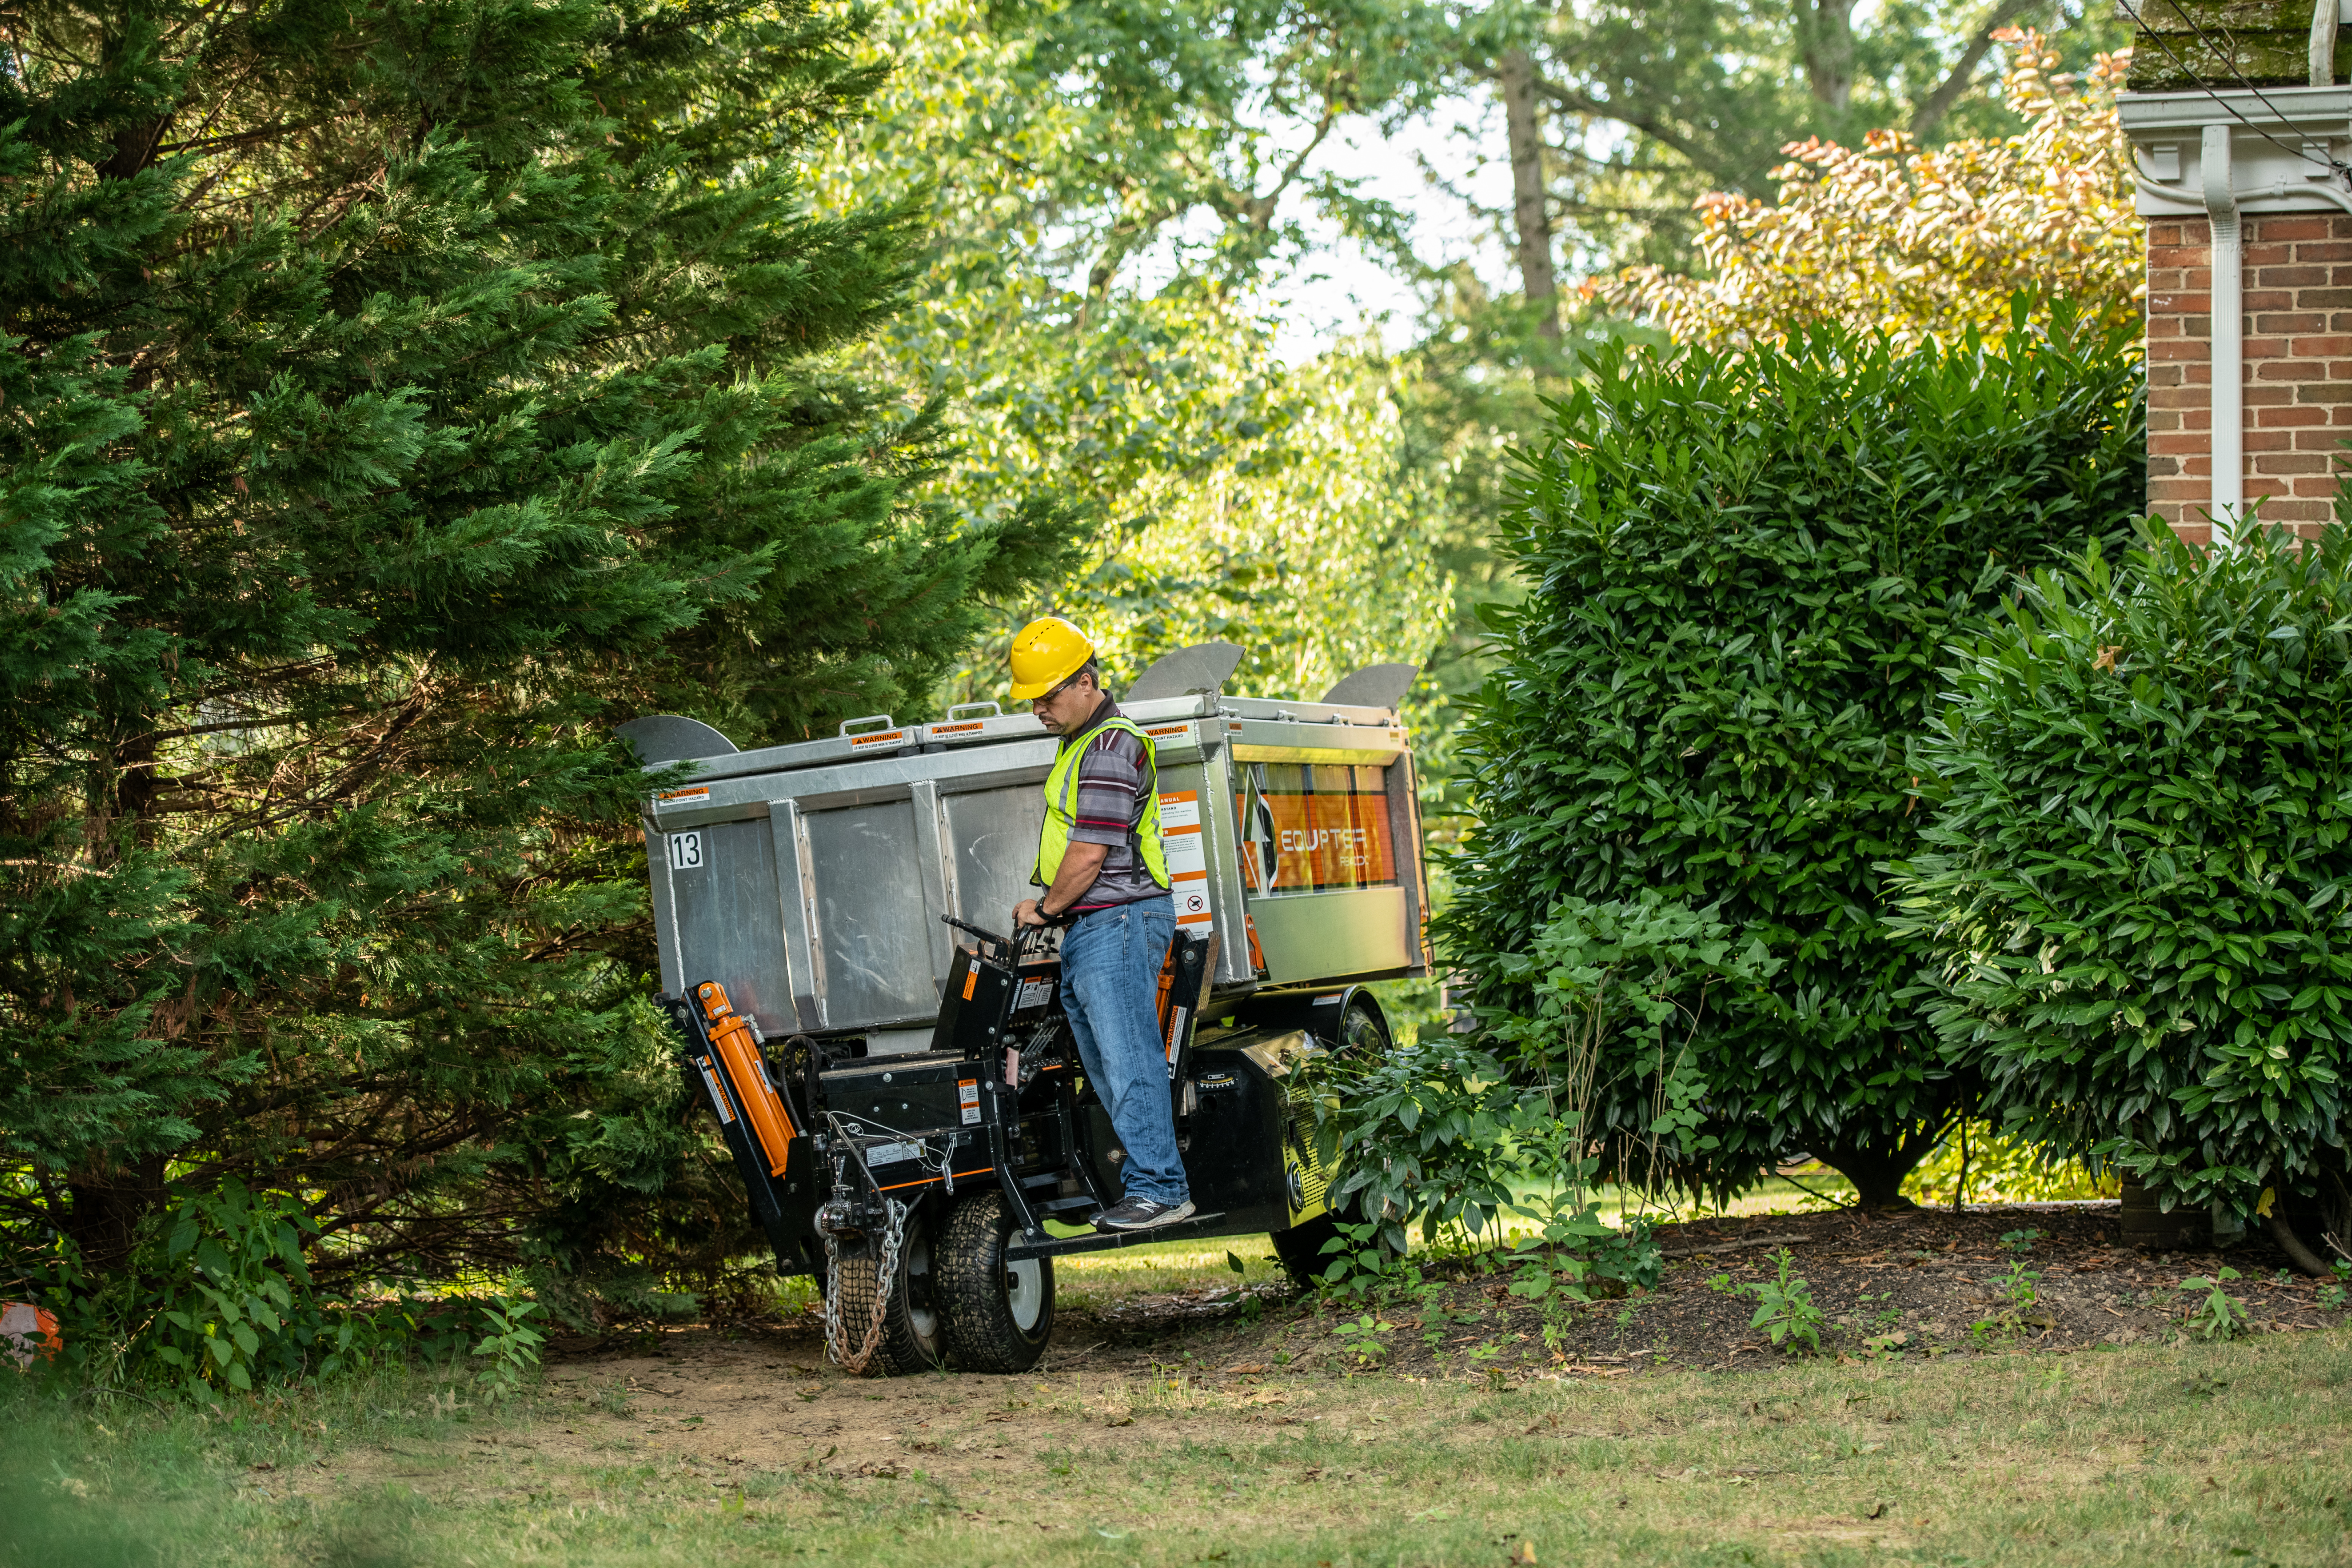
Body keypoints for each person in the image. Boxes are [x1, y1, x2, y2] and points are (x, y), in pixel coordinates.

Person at [1006, 616, 1194, 1231]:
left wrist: (1045, 909)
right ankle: (1154, 1182)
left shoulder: (1110, 749)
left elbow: (1090, 853)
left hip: (1115, 922)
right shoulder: (1084, 744)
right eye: (1033, 698)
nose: (1040, 708)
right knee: (1113, 1063)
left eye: (1049, 694)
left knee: (1129, 1058)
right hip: (1099, 929)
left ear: (1087, 682)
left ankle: (1161, 1189)